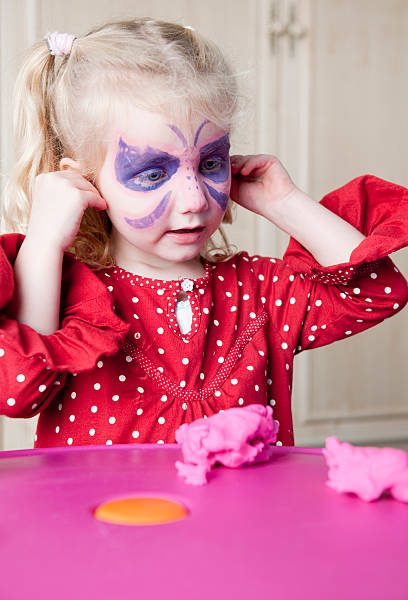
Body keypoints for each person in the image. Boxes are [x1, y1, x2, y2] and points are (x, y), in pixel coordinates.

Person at [0, 18, 407, 449]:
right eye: (153, 173)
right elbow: (19, 389)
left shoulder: (259, 289)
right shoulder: (69, 294)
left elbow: (376, 293)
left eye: (210, 164)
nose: (195, 199)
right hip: (103, 517)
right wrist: (44, 241)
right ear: (83, 183)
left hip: (240, 518)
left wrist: (284, 202)